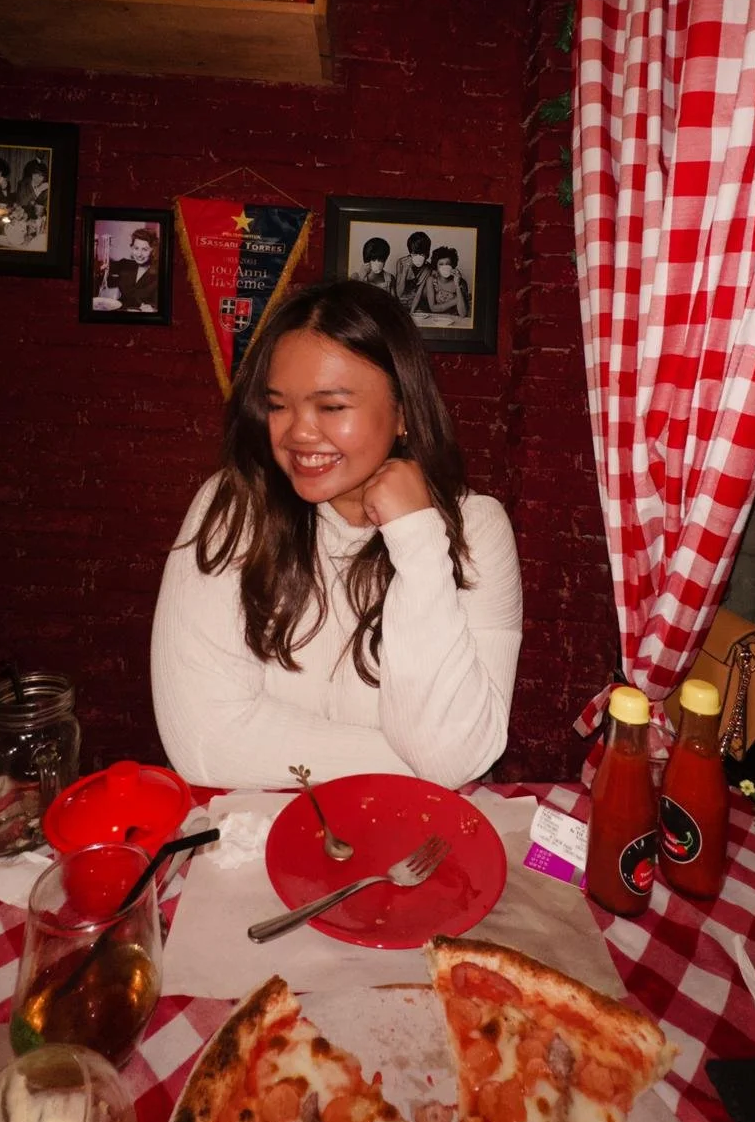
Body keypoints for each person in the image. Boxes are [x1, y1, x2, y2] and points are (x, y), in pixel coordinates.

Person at [151, 280, 522, 789]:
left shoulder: (476, 530)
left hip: (407, 831)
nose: (297, 433)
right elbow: (203, 744)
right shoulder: (235, 506)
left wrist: (416, 536)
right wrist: (425, 770)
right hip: (259, 830)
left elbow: (456, 755)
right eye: (278, 405)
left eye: (331, 407)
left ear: (404, 412)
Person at [106, 227, 159, 312]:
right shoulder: (125, 264)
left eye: (145, 249)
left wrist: (154, 310)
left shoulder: (158, 275)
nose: (139, 254)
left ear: (153, 250)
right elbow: (104, 269)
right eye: (136, 248)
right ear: (132, 248)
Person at [411, 246, 471, 318]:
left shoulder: (461, 282)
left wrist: (457, 285)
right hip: (436, 319)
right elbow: (433, 308)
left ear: (452, 265)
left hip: (454, 319)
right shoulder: (431, 280)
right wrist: (455, 300)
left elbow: (463, 314)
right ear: (436, 267)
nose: (444, 267)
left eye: (448, 264)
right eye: (441, 264)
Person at [394, 230, 432, 310]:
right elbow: (399, 293)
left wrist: (412, 312)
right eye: (414, 254)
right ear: (411, 253)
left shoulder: (428, 268)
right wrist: (405, 271)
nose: (418, 257)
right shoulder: (401, 262)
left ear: (426, 254)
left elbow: (419, 293)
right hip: (401, 301)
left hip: (416, 303)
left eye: (421, 254)